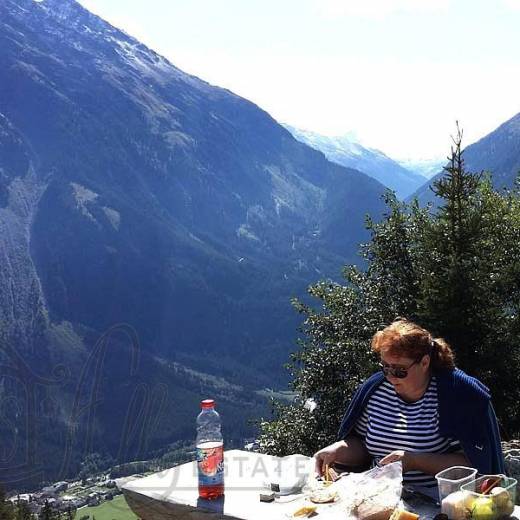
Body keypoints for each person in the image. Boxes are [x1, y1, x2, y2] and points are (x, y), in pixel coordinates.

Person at [314, 318, 505, 495]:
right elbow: (362, 444)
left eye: (399, 370)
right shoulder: (376, 391)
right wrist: (338, 450)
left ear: (424, 362)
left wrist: (415, 461)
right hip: (379, 495)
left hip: (440, 500)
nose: (390, 377)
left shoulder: (454, 396)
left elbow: (472, 466)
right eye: (385, 367)